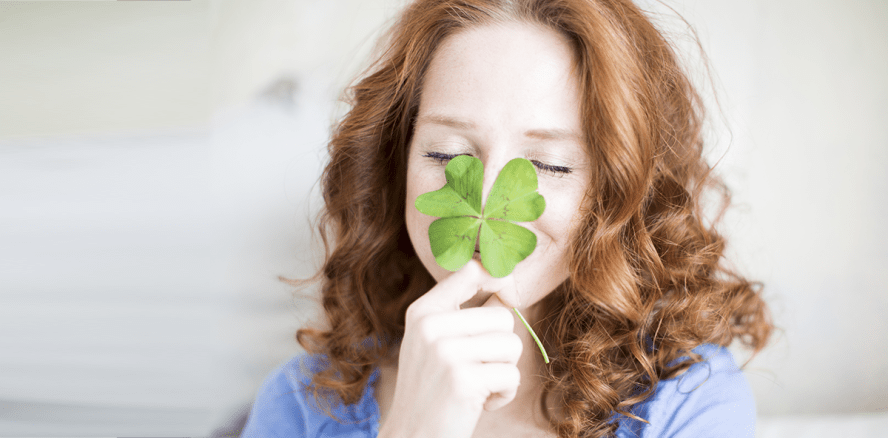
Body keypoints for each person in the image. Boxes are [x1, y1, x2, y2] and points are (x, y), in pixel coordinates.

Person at [239, 0, 773, 437]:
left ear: (619, 190)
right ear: (395, 164)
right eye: (446, 154)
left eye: (549, 164)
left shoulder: (689, 401)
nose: (488, 194)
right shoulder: (302, 402)